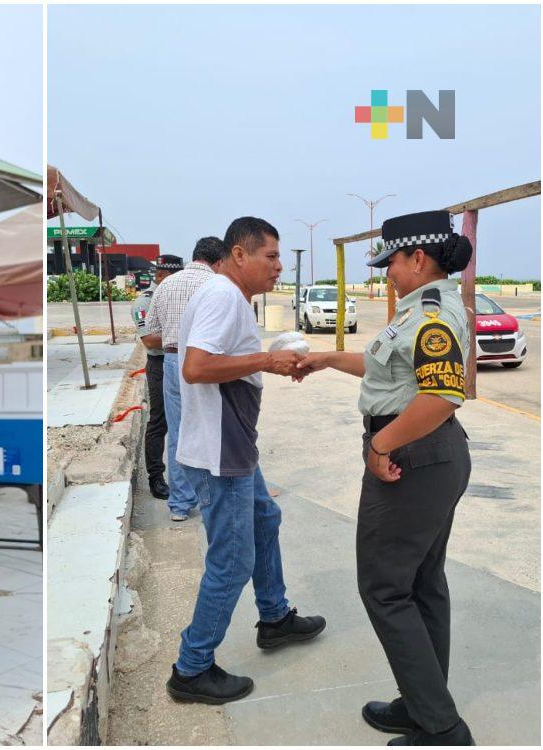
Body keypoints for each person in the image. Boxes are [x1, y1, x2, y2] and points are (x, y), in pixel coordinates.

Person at [297, 211, 476, 745]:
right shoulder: (422, 308)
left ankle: (442, 729)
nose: (387, 274)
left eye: (391, 263)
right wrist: (328, 358)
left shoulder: (432, 314)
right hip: (427, 456)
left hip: (411, 457)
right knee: (422, 585)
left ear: (418, 259)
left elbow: (442, 397)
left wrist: (378, 445)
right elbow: (388, 370)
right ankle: (423, 702)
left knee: (384, 588)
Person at [165, 217, 326, 705]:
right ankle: (192, 669)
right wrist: (263, 361)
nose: (278, 266)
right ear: (240, 255)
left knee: (265, 519)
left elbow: (215, 358)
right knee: (232, 561)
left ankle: (274, 617)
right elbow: (195, 368)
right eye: (271, 256)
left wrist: (265, 356)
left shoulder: (227, 296)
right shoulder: (222, 296)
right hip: (220, 452)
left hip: (231, 444)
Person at [141, 237, 226, 521]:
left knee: (177, 432)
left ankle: (179, 504)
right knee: (211, 429)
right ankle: (210, 499)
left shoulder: (166, 285)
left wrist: (172, 337)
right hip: (205, 361)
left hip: (171, 359)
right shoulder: (217, 285)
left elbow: (151, 332)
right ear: (218, 261)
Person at [131, 254, 184, 499]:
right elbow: (149, 340)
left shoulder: (179, 297)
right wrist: (183, 338)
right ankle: (156, 477)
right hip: (160, 364)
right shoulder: (145, 302)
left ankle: (185, 475)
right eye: (174, 277)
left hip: (183, 361)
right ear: (161, 275)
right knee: (159, 421)